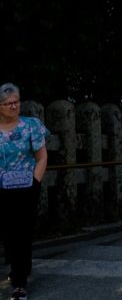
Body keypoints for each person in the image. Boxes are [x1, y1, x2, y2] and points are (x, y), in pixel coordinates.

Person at [0, 84, 47, 300]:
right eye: (7, 103)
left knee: (22, 234)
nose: (13, 106)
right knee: (9, 235)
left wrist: (35, 183)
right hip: (1, 189)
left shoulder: (31, 126)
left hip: (26, 188)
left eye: (16, 102)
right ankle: (16, 269)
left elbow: (41, 157)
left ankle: (19, 283)